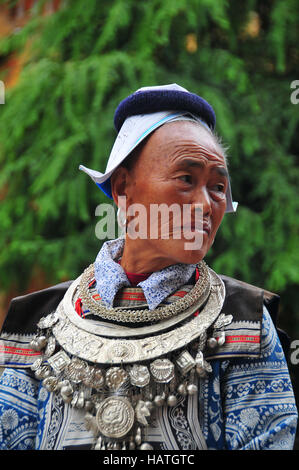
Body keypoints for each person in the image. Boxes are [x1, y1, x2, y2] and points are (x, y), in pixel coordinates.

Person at [0, 84, 297, 451]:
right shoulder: (35, 325)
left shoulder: (244, 324)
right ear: (124, 188)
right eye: (186, 179)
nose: (207, 205)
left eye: (218, 187)